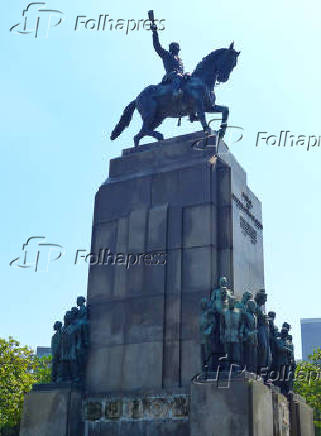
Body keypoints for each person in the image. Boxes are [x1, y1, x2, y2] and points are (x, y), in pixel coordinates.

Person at [151, 22, 184, 96]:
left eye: (177, 47)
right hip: (171, 76)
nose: (177, 49)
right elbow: (157, 46)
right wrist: (154, 32)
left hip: (181, 77)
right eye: (175, 47)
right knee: (178, 76)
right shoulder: (167, 55)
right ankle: (175, 92)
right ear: (171, 49)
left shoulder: (180, 60)